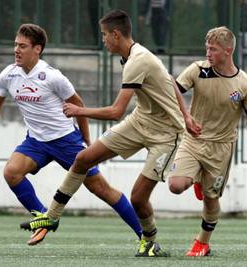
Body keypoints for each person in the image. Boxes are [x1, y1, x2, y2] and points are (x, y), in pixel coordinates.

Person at [21, 10, 195, 256]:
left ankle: (150, 241)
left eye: (104, 35)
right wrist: (187, 116)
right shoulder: (133, 57)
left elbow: (116, 111)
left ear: (116, 34)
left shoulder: (137, 60)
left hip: (166, 134)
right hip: (140, 121)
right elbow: (168, 79)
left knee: (138, 198)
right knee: (83, 159)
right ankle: (50, 217)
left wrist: (79, 110)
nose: (102, 40)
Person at [0, 23, 143, 246]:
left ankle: (144, 235)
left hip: (66, 141)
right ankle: (44, 218)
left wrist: (86, 140)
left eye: (23, 46)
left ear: (38, 49)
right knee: (12, 172)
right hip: (36, 141)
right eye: (15, 45)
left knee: (100, 189)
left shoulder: (52, 77)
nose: (16, 50)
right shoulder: (8, 75)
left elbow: (79, 107)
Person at [168, 26, 247, 257]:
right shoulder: (197, 70)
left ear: (228, 51)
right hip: (193, 140)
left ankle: (202, 243)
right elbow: (172, 90)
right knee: (175, 186)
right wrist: (185, 117)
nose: (208, 53)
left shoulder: (245, 85)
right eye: (207, 48)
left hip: (221, 148)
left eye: (213, 49)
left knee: (211, 198)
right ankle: (196, 179)